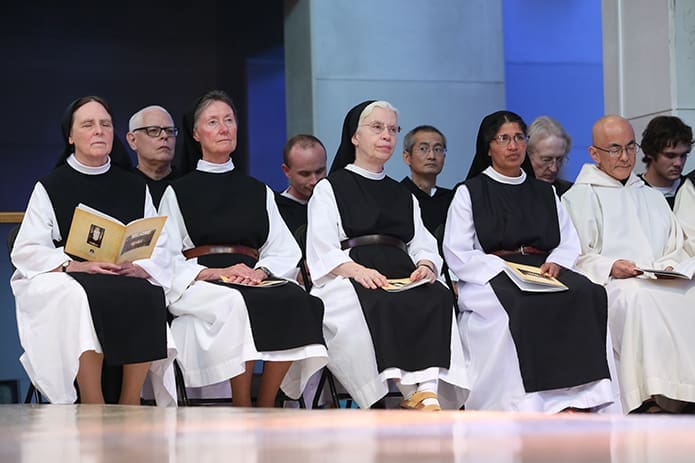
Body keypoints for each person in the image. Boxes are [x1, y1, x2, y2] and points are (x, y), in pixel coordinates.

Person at [158, 89, 327, 407]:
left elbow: (283, 248)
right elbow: (164, 255)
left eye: (229, 120)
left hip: (251, 276)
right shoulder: (176, 192)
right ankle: (241, 401)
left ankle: (265, 400)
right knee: (235, 302)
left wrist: (260, 270)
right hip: (202, 280)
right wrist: (217, 272)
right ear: (196, 134)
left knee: (295, 299)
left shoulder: (258, 190)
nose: (224, 128)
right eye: (213, 122)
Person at [442, 110, 619, 413]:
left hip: (545, 269)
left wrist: (557, 263)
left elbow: (568, 240)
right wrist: (503, 269)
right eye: (504, 139)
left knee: (589, 292)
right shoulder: (470, 191)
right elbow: (457, 250)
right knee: (522, 303)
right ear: (488, 147)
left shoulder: (544, 190)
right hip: (494, 272)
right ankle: (534, 401)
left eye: (519, 138)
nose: (513, 146)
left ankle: (584, 396)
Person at [10, 96, 176, 405]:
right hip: (71, 274)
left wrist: (141, 267)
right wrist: (74, 266)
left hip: (122, 271)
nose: (99, 131)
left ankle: (130, 400)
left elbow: (159, 241)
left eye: (106, 124)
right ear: (71, 136)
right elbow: (28, 247)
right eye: (88, 125)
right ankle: (92, 399)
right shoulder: (49, 186)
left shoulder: (134, 185)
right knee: (78, 296)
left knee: (147, 291)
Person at [306, 100, 469, 411]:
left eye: (393, 129)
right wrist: (356, 270)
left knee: (436, 294)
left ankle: (428, 389)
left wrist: (424, 263)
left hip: (400, 271)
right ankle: (399, 392)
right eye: (377, 128)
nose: (387, 136)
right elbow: (322, 246)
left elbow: (420, 240)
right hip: (350, 274)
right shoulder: (330, 188)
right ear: (355, 136)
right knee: (374, 299)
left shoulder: (402, 194)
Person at [562, 114, 695, 414]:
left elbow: (676, 246)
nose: (624, 157)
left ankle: (685, 390)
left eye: (630, 147)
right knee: (639, 296)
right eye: (614, 149)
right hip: (615, 285)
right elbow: (575, 256)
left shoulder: (649, 195)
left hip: (658, 279)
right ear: (594, 153)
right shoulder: (580, 196)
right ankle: (649, 394)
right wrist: (610, 266)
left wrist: (672, 266)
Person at [400, 125, 453, 234]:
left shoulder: (453, 199)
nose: (432, 156)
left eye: (438, 149)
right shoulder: (396, 195)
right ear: (407, 157)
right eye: (423, 148)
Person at [125, 105, 179, 208]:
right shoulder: (122, 187)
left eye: (170, 131)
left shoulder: (189, 186)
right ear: (132, 140)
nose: (164, 136)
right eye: (153, 130)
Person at [275, 134, 327, 235]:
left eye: (319, 171)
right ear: (286, 171)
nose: (314, 180)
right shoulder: (274, 211)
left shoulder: (335, 204)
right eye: (305, 174)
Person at [638, 115, 692, 208]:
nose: (678, 163)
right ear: (650, 152)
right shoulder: (633, 192)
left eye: (683, 155)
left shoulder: (691, 188)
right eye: (670, 156)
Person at [526, 115, 574, 196]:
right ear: (527, 155)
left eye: (559, 159)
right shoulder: (510, 194)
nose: (554, 169)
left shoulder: (571, 194)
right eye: (546, 160)